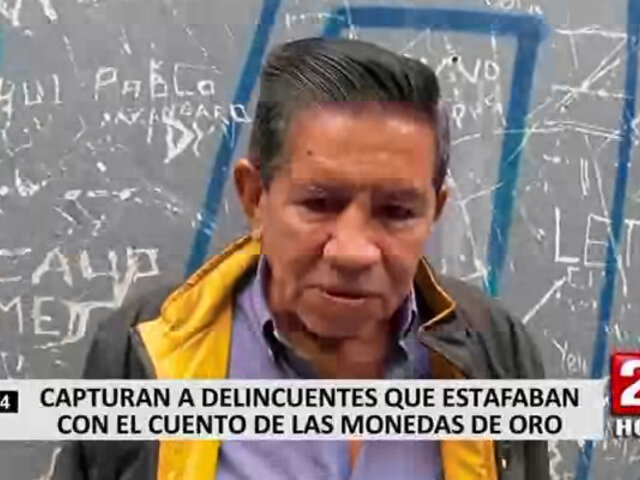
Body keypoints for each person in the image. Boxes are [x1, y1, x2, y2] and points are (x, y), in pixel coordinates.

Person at [54, 37, 549, 480]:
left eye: (396, 212)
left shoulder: (493, 354)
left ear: (434, 212)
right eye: (319, 203)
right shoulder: (142, 351)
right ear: (255, 196)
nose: (352, 252)